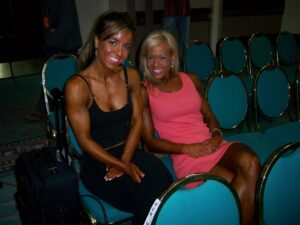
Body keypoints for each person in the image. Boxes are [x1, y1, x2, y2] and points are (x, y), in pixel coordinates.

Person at [139, 30, 260, 225]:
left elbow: (210, 116)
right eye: (150, 57)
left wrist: (216, 135)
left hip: (212, 144)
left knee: (252, 161)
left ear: (172, 57)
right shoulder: (144, 90)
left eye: (161, 57)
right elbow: (150, 142)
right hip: (187, 156)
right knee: (236, 186)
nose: (155, 64)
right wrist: (187, 148)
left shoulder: (190, 79)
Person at [64, 12, 173, 225]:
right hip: (98, 163)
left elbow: (136, 122)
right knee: (148, 197)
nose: (119, 53)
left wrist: (124, 161)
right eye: (113, 42)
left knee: (163, 183)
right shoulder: (77, 86)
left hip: (129, 151)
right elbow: (85, 141)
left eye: (126, 46)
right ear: (97, 40)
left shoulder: (130, 76)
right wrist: (121, 166)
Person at [25, 0, 82, 121]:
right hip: (55, 45)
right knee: (50, 79)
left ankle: (50, 110)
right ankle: (45, 110)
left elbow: (67, 25)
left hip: (64, 47)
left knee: (67, 82)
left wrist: (49, 41)